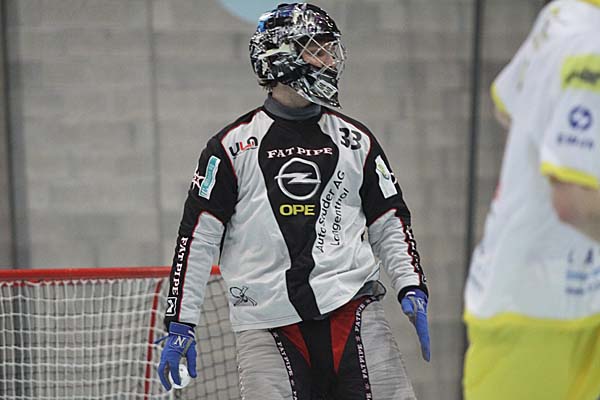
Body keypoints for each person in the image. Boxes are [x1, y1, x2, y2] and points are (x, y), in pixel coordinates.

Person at [157, 3, 430, 399]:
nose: (330, 61)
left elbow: (389, 221)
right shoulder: (231, 147)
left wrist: (410, 284)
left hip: (354, 313)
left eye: (330, 50)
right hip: (266, 326)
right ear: (281, 56)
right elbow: (196, 238)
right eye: (317, 50)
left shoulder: (357, 140)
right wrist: (180, 323)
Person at [463, 0, 600, 399]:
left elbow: (507, 106)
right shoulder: (588, 44)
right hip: (536, 316)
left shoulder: (563, 14)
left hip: (565, 296)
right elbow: (574, 200)